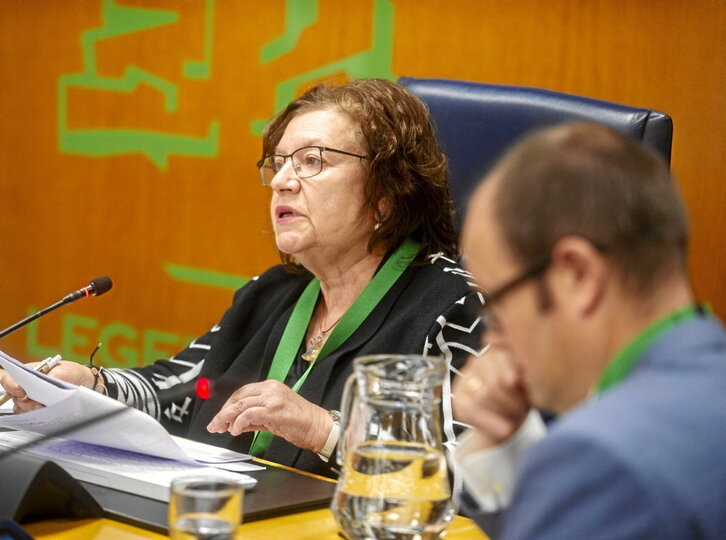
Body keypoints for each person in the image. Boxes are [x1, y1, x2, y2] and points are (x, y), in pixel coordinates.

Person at [1, 78, 483, 478]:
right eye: (278, 164)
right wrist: (88, 386)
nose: (281, 181)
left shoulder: (455, 309)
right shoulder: (270, 294)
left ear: (388, 195)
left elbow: (479, 480)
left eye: (313, 161)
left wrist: (325, 430)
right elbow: (183, 390)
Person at [452, 122, 726, 538]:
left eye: (496, 305)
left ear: (577, 276)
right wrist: (503, 445)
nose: (492, 339)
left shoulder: (599, 459)